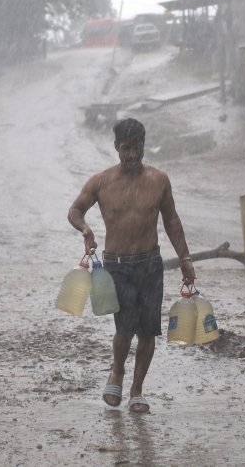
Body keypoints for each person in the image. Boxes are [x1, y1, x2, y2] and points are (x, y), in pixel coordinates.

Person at [67, 118, 197, 413]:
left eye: (137, 147)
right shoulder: (101, 182)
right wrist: (85, 230)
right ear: (116, 147)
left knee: (148, 330)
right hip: (117, 265)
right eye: (126, 148)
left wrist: (186, 259)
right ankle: (117, 373)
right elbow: (75, 209)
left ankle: (137, 391)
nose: (132, 155)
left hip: (150, 263)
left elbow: (172, 220)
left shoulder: (158, 180)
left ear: (143, 145)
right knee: (124, 328)